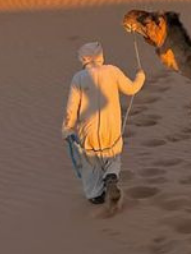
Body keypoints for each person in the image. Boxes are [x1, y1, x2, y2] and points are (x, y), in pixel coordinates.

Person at [62, 42, 145, 210]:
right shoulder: (112, 71)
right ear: (100, 56)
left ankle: (96, 196)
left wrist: (67, 129)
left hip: (88, 131)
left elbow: (71, 108)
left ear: (83, 58)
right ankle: (111, 176)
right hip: (111, 126)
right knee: (113, 155)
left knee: (90, 162)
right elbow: (131, 89)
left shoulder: (78, 77)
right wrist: (140, 77)